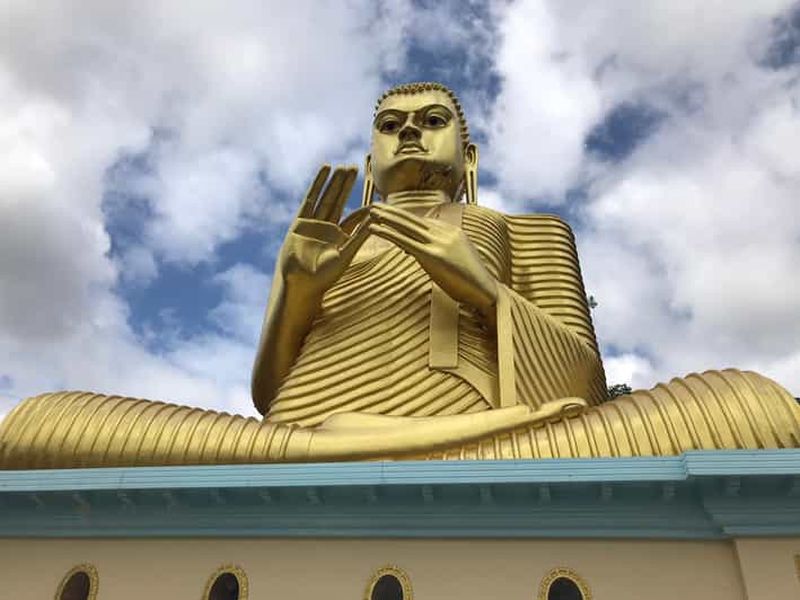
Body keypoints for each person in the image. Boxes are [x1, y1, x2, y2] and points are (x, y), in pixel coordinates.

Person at [0, 82, 797, 468]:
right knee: (40, 421)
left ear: (469, 153)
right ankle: (349, 456)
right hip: (297, 444)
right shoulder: (329, 241)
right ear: (373, 157)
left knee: (748, 409)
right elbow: (274, 398)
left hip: (505, 447)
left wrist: (478, 286)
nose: (409, 133)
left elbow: (582, 391)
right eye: (390, 127)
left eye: (431, 121)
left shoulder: (525, 231)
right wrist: (298, 294)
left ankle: (373, 455)